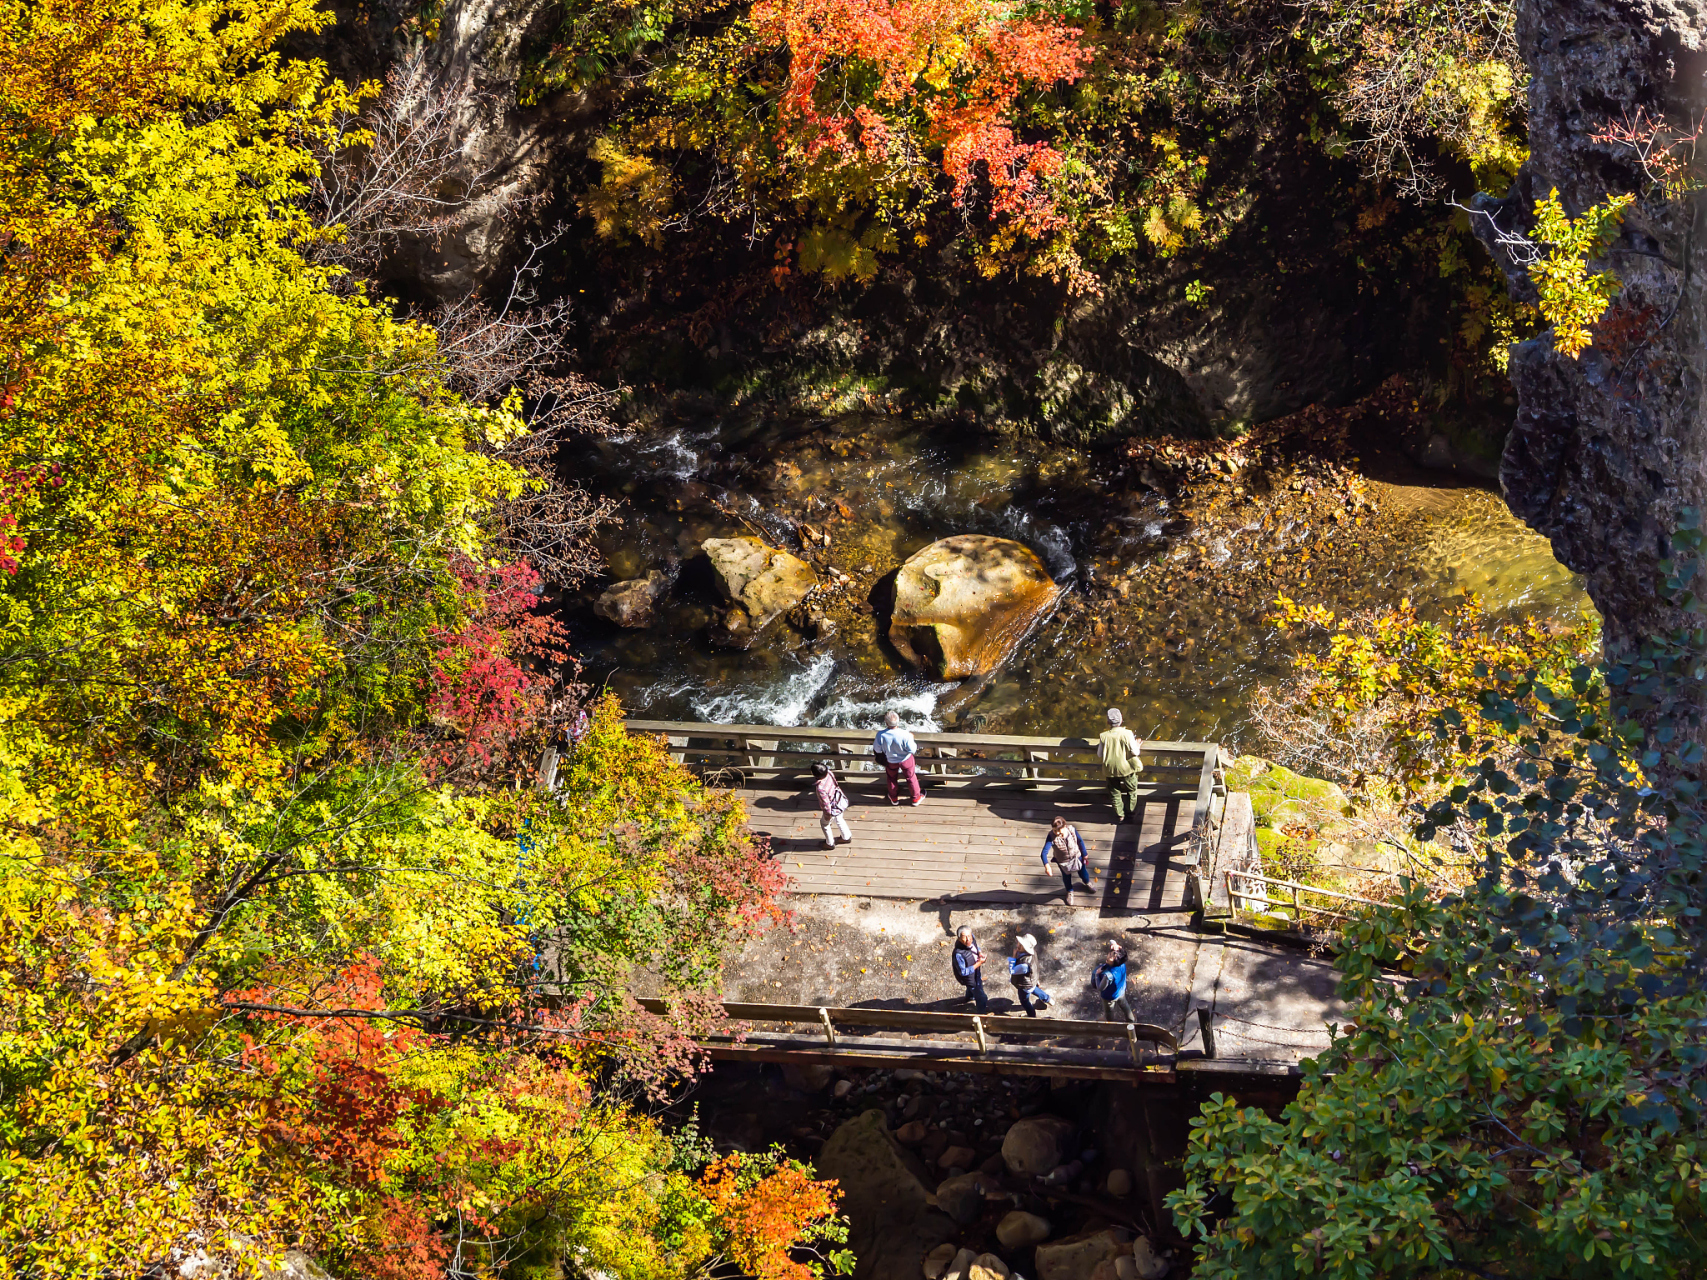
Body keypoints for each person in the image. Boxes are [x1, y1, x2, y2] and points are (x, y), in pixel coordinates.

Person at [1096, 708, 1145, 822]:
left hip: (1110, 769)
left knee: (1114, 792)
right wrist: (1137, 744)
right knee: (1131, 791)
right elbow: (1135, 752)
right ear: (1121, 719)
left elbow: (1099, 754)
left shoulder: (1103, 736)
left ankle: (1120, 815)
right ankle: (1131, 813)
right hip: (1126, 768)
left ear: (1108, 722)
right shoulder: (1127, 733)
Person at [873, 710, 923, 806]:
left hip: (891, 760)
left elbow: (877, 749)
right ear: (898, 721)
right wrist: (911, 738)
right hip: (906, 760)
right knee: (911, 777)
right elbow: (912, 749)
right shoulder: (905, 734)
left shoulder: (880, 735)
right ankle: (915, 798)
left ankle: (894, 798)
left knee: (892, 778)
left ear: (886, 722)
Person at [1039, 815, 1093, 905]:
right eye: (1054, 830)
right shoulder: (1051, 836)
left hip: (1077, 857)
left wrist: (1084, 853)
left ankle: (1087, 882)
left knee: (1083, 873)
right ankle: (1069, 891)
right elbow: (1043, 853)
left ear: (1065, 826)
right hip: (1063, 862)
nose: (1057, 833)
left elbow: (1080, 841)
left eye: (1059, 831)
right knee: (1066, 877)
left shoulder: (1071, 830)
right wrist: (1047, 866)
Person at [1091, 940, 1135, 1024]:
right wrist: (1114, 944)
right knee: (1125, 1005)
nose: (1109, 955)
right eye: (1110, 953)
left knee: (1109, 1011)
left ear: (1114, 961)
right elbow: (1115, 945)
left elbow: (1100, 987)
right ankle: (1131, 1020)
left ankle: (1110, 1022)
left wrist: (1097, 975)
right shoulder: (1121, 963)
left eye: (1111, 956)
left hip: (1109, 997)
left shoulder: (1108, 975)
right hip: (1121, 991)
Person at [811, 759, 852, 848]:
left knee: (824, 824)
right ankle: (846, 837)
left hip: (833, 807)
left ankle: (829, 843)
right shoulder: (829, 773)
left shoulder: (820, 788)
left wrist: (827, 815)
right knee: (839, 818)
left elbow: (826, 804)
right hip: (839, 800)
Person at [1008, 933, 1051, 1017]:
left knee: (1024, 1001)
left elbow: (1012, 971)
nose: (1017, 946)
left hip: (1024, 985)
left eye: (1021, 945)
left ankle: (1031, 1015)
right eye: (1019, 943)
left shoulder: (1024, 965)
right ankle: (1047, 999)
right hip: (1032, 980)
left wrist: (1013, 957)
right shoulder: (1032, 953)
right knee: (1034, 988)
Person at [951, 926, 988, 1013]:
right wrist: (979, 963)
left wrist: (979, 952)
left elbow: (975, 946)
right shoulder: (958, 954)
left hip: (976, 973)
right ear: (959, 938)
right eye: (964, 937)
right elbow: (963, 972)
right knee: (982, 998)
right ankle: (981, 1014)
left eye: (969, 936)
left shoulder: (972, 938)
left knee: (971, 989)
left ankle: (969, 997)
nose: (968, 939)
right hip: (970, 978)